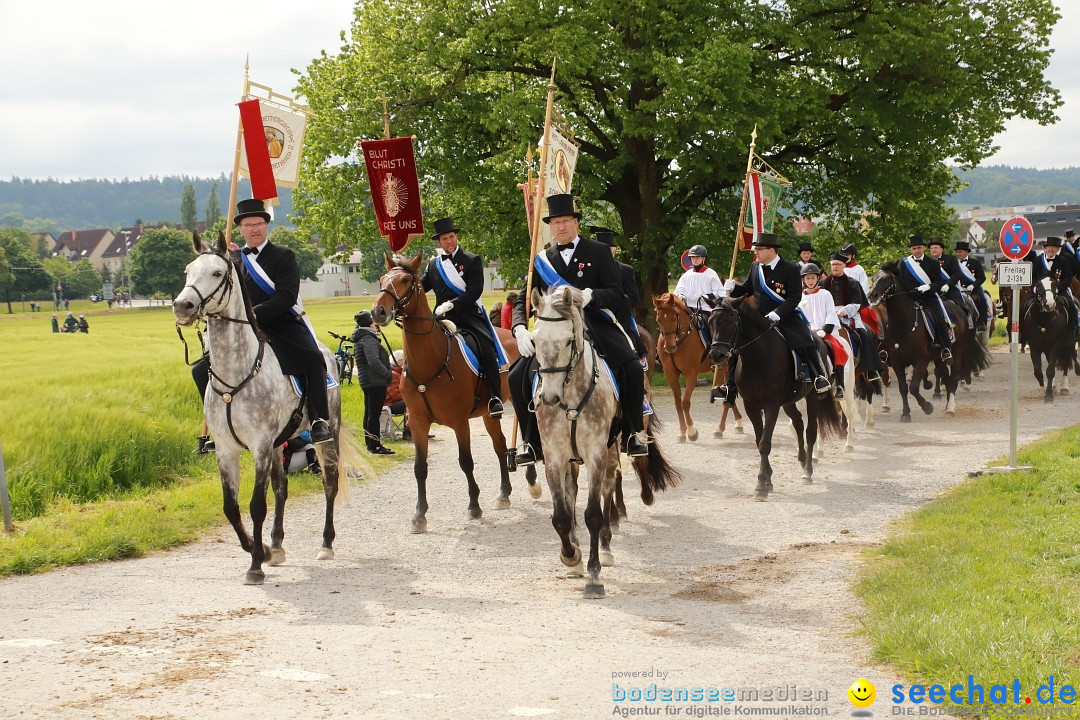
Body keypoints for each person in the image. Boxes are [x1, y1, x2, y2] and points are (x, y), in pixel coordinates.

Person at [510, 193, 649, 464]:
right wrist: (519, 328)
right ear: (550, 226)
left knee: (631, 367)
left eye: (566, 221)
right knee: (516, 377)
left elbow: (616, 291)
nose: (561, 227)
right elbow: (523, 300)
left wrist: (590, 296)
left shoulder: (597, 251)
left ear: (576, 223)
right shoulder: (541, 260)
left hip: (594, 322)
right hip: (553, 329)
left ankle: (634, 433)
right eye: (556, 222)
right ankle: (532, 443)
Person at [234, 198, 333, 443]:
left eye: (259, 223)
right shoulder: (235, 262)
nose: (254, 228)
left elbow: (287, 296)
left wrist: (255, 314)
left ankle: (320, 420)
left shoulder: (283, 256)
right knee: (203, 368)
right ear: (240, 229)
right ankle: (222, 426)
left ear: (266, 225)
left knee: (313, 358)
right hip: (244, 328)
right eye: (248, 225)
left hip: (281, 322)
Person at [715, 233, 832, 402]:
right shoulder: (756, 267)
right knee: (737, 342)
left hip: (785, 315)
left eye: (759, 250)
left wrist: (778, 313)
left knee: (805, 340)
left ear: (771, 250)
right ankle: (730, 386)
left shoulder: (790, 269)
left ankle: (818, 377)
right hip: (758, 317)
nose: (756, 253)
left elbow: (794, 297)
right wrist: (733, 288)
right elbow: (748, 289)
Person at [420, 216, 507, 419]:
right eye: (445, 239)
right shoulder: (433, 265)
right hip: (441, 318)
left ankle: (494, 396)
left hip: (467, 314)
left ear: (456, 237)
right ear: (439, 242)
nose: (449, 242)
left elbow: (474, 291)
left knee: (486, 345)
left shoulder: (471, 259)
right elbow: (421, 287)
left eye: (451, 237)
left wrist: (452, 303)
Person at [821, 253, 883, 383]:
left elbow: (857, 303)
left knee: (866, 333)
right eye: (833, 265)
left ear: (844, 265)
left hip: (849, 315)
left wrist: (845, 311)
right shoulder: (823, 282)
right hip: (827, 316)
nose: (835, 267)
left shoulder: (853, 283)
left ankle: (870, 368)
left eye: (838, 264)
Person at [897, 235, 953, 362]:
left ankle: (946, 348)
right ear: (911, 250)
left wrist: (929, 287)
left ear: (923, 248)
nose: (916, 251)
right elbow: (899, 281)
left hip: (928, 298)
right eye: (914, 248)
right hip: (910, 298)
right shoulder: (904, 263)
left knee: (940, 319)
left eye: (919, 248)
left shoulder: (933, 263)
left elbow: (938, 283)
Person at [593, 226, 646, 358]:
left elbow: (633, 297)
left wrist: (616, 300)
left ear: (614, 251)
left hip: (620, 314)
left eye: (609, 250)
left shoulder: (626, 270)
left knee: (631, 338)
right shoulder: (591, 270)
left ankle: (636, 359)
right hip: (596, 312)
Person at [798, 263, 847, 398]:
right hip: (806, 333)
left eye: (813, 278)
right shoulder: (799, 297)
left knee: (837, 348)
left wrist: (824, 331)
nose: (810, 281)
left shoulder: (825, 294)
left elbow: (831, 314)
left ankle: (840, 385)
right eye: (808, 278)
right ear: (803, 280)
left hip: (824, 331)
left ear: (818, 278)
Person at [353, 310, 395, 455]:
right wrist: (388, 374)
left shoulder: (362, 337)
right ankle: (376, 445)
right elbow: (374, 362)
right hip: (375, 381)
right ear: (370, 322)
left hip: (368, 381)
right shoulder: (369, 339)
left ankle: (370, 445)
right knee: (374, 415)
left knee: (369, 414)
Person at [673, 243, 725, 346]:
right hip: (688, 310)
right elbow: (679, 290)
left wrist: (706, 296)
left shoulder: (711, 274)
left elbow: (720, 293)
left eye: (697, 257)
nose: (694, 260)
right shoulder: (686, 275)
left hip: (705, 310)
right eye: (692, 257)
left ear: (703, 258)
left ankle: (713, 347)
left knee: (711, 328)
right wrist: (681, 295)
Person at [1031, 236, 1077, 333]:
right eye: (1049, 247)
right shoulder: (1037, 260)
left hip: (1059, 290)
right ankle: (1023, 335)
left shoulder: (1063, 261)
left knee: (1072, 305)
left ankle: (1074, 330)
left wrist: (1058, 288)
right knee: (1026, 305)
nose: (1051, 250)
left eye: (1054, 248)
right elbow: (1032, 277)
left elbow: (1068, 277)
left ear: (1057, 249)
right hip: (1040, 291)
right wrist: (1035, 288)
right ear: (1045, 248)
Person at [928, 237, 971, 326]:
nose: (933, 250)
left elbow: (957, 274)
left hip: (949, 290)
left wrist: (948, 285)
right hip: (933, 291)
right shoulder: (927, 261)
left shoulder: (950, 259)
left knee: (962, 308)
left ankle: (967, 323)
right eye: (932, 248)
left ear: (941, 249)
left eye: (936, 247)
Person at [953, 240, 989, 330]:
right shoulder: (953, 263)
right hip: (957, 289)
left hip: (972, 290)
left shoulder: (975, 263)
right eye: (957, 252)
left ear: (966, 252)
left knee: (979, 300)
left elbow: (982, 277)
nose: (958, 254)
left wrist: (973, 285)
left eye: (960, 252)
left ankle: (982, 322)